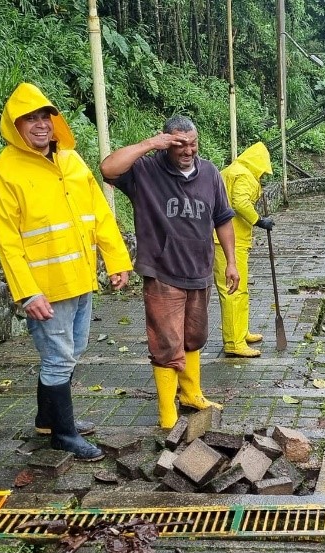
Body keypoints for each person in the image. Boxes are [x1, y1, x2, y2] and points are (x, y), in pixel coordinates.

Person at [0, 82, 132, 462]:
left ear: (55, 122)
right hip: (46, 288)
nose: (39, 125)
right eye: (28, 119)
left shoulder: (71, 161)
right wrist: (27, 292)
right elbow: (7, 240)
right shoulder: (6, 172)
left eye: (44, 117)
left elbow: (99, 212)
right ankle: (63, 435)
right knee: (59, 356)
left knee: (71, 350)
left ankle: (47, 420)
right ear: (14, 127)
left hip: (80, 277)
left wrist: (116, 259)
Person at [101, 116, 239, 429]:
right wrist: (150, 144)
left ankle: (191, 394)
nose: (188, 150)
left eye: (192, 143)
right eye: (179, 144)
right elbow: (108, 169)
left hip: (200, 270)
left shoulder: (210, 174)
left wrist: (230, 261)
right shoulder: (146, 171)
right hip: (162, 272)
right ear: (166, 143)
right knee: (166, 342)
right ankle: (167, 413)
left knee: (195, 336)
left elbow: (223, 219)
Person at [213, 142, 275, 357]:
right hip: (229, 240)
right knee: (232, 290)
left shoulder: (231, 170)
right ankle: (233, 342)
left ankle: (241, 331)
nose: (263, 175)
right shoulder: (245, 175)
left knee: (241, 288)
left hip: (226, 238)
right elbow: (240, 203)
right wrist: (259, 221)